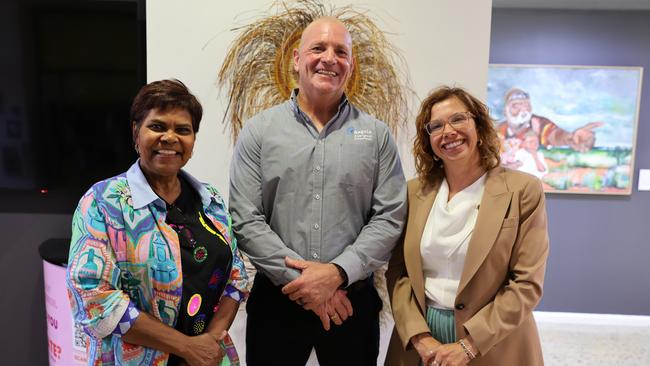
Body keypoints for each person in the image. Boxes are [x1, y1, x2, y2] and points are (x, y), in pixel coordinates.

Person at [229, 16, 407, 366]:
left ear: (350, 66)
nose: (329, 58)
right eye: (318, 48)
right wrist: (307, 284)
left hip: (351, 303)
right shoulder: (259, 132)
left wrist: (337, 274)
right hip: (277, 301)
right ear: (296, 59)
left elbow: (389, 218)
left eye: (341, 51)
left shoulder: (377, 136)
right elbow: (245, 218)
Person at [66, 79, 248, 366]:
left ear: (193, 141)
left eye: (183, 130)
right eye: (158, 126)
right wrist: (187, 347)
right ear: (136, 132)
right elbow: (93, 298)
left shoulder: (210, 200)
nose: (170, 137)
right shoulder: (104, 203)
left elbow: (236, 277)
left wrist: (208, 344)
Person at [385, 86, 549, 366]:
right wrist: (418, 336)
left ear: (479, 126)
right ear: (429, 141)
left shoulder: (523, 190)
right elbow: (399, 273)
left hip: (493, 344)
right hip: (422, 345)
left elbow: (526, 283)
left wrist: (470, 345)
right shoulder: (413, 193)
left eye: (458, 119)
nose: (448, 131)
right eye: (436, 126)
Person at [497, 88, 603, 170]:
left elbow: (554, 135)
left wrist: (570, 138)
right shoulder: (497, 131)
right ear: (505, 111)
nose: (523, 110)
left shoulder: (538, 124)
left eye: (526, 105)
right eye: (516, 106)